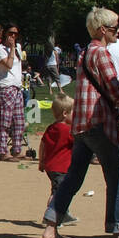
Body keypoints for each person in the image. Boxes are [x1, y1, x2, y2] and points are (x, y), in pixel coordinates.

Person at [41, 8, 119, 238]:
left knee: (73, 177)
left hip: (81, 124)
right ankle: (118, 233)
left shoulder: (85, 52)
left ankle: (50, 226)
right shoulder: (102, 53)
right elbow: (114, 87)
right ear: (102, 30)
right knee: (115, 177)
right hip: (99, 123)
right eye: (115, 28)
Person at [37, 93, 79, 227]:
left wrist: (41, 161)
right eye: (74, 113)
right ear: (65, 113)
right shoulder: (67, 130)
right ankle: (50, 215)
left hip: (51, 166)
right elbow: (77, 144)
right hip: (61, 168)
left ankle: (64, 214)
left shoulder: (51, 128)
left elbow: (42, 144)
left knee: (59, 190)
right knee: (58, 193)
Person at [0, 24, 28, 160]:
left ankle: (17, 149)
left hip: (17, 87)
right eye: (11, 33)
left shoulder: (18, 48)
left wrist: (15, 48)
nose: (13, 36)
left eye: (15, 34)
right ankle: (3, 151)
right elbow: (7, 65)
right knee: (5, 122)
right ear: (4, 34)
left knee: (19, 122)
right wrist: (12, 48)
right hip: (6, 88)